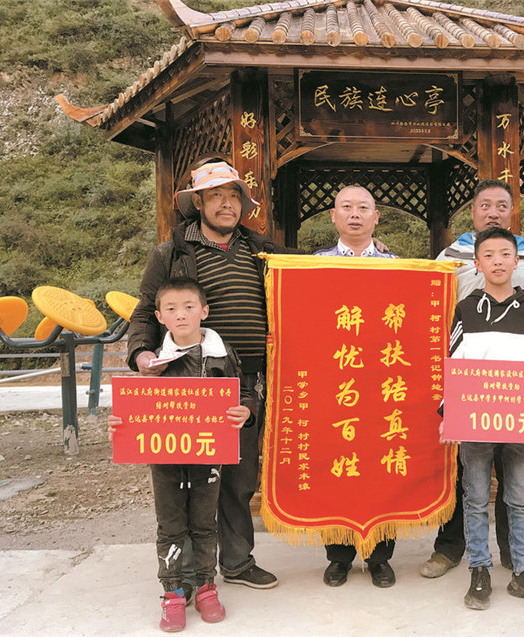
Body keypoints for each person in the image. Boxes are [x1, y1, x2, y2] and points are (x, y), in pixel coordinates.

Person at [127, 161, 295, 590]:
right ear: (198, 203)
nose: (227, 204)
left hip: (248, 379)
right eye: (216, 195)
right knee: (187, 478)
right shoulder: (171, 252)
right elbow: (145, 309)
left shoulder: (261, 250)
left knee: (239, 476)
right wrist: (141, 353)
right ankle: (186, 575)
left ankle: (236, 563)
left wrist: (371, 253)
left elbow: (315, 272)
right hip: (188, 379)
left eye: (234, 195)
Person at [421, 179, 524, 578]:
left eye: (502, 205)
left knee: (514, 479)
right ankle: (450, 548)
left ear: (512, 212)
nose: (493, 212)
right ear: (472, 212)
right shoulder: (448, 259)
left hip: (520, 390)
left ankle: (513, 555)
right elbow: (433, 316)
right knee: (464, 477)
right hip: (471, 388)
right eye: (485, 205)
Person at [109, 278, 253, 632]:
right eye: (171, 309)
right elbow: (136, 408)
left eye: (189, 307)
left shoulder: (222, 353)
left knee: (204, 523)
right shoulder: (153, 362)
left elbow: (245, 392)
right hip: (165, 460)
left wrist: (246, 410)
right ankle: (173, 593)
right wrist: (121, 423)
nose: (181, 315)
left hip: (208, 456)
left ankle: (206, 588)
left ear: (204, 311)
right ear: (159, 316)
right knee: (170, 525)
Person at [443, 226, 524, 611]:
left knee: (519, 497)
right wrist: (448, 413)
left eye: (505, 254)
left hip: (522, 422)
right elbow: (454, 362)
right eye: (488, 255)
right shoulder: (466, 308)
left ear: (517, 261)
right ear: (477, 263)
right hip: (475, 423)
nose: (497, 262)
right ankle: (479, 570)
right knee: (475, 498)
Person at [314, 185, 398, 588]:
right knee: (339, 467)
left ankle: (379, 557)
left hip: (381, 384)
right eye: (346, 207)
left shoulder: (396, 266)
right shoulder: (315, 266)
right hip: (336, 382)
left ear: (376, 217)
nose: (355, 214)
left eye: (364, 207)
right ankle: (339, 556)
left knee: (381, 466)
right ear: (333, 216)